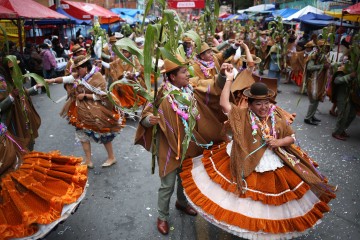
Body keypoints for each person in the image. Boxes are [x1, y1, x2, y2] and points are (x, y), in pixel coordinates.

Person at [179, 77, 337, 239]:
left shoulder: (276, 114)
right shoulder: (242, 115)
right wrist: (228, 80)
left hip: (274, 160)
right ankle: (247, 228)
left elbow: (291, 137)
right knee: (246, 202)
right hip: (246, 159)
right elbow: (224, 103)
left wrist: (278, 142)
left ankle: (264, 230)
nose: (264, 107)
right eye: (258, 104)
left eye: (266, 103)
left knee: (272, 206)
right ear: (250, 104)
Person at [134, 55, 231, 235]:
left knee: (185, 178)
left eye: (187, 71)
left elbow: (211, 85)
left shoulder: (191, 88)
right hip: (168, 146)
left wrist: (223, 76)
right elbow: (144, 116)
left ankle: (182, 203)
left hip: (190, 144)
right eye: (184, 72)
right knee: (167, 184)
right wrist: (149, 120)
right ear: (172, 77)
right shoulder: (160, 93)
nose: (188, 74)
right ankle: (162, 217)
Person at [45, 55, 125, 169]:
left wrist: (86, 95)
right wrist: (50, 80)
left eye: (78, 69)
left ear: (85, 67)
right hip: (81, 111)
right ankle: (88, 160)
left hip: (96, 110)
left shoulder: (98, 77)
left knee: (103, 133)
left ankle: (111, 157)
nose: (76, 72)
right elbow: (65, 79)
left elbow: (103, 96)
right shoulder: (78, 76)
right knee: (81, 133)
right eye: (76, 69)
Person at [0, 62, 42, 151]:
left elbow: (23, 92)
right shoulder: (2, 85)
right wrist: (11, 96)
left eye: (15, 68)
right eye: (11, 69)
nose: (15, 70)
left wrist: (35, 87)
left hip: (25, 119)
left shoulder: (15, 80)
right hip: (13, 122)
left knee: (30, 142)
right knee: (19, 148)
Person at [303, 40, 331, 125]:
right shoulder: (314, 55)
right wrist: (322, 66)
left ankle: (312, 115)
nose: (327, 48)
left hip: (320, 81)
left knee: (317, 99)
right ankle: (308, 118)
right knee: (313, 100)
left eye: (327, 47)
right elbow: (309, 67)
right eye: (325, 47)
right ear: (320, 47)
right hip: (313, 80)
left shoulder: (323, 56)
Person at [331, 64, 357, 141]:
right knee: (342, 115)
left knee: (352, 114)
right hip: (342, 96)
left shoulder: (356, 68)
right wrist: (349, 76)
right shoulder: (343, 67)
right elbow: (336, 80)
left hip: (351, 96)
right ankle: (336, 132)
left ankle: (341, 129)